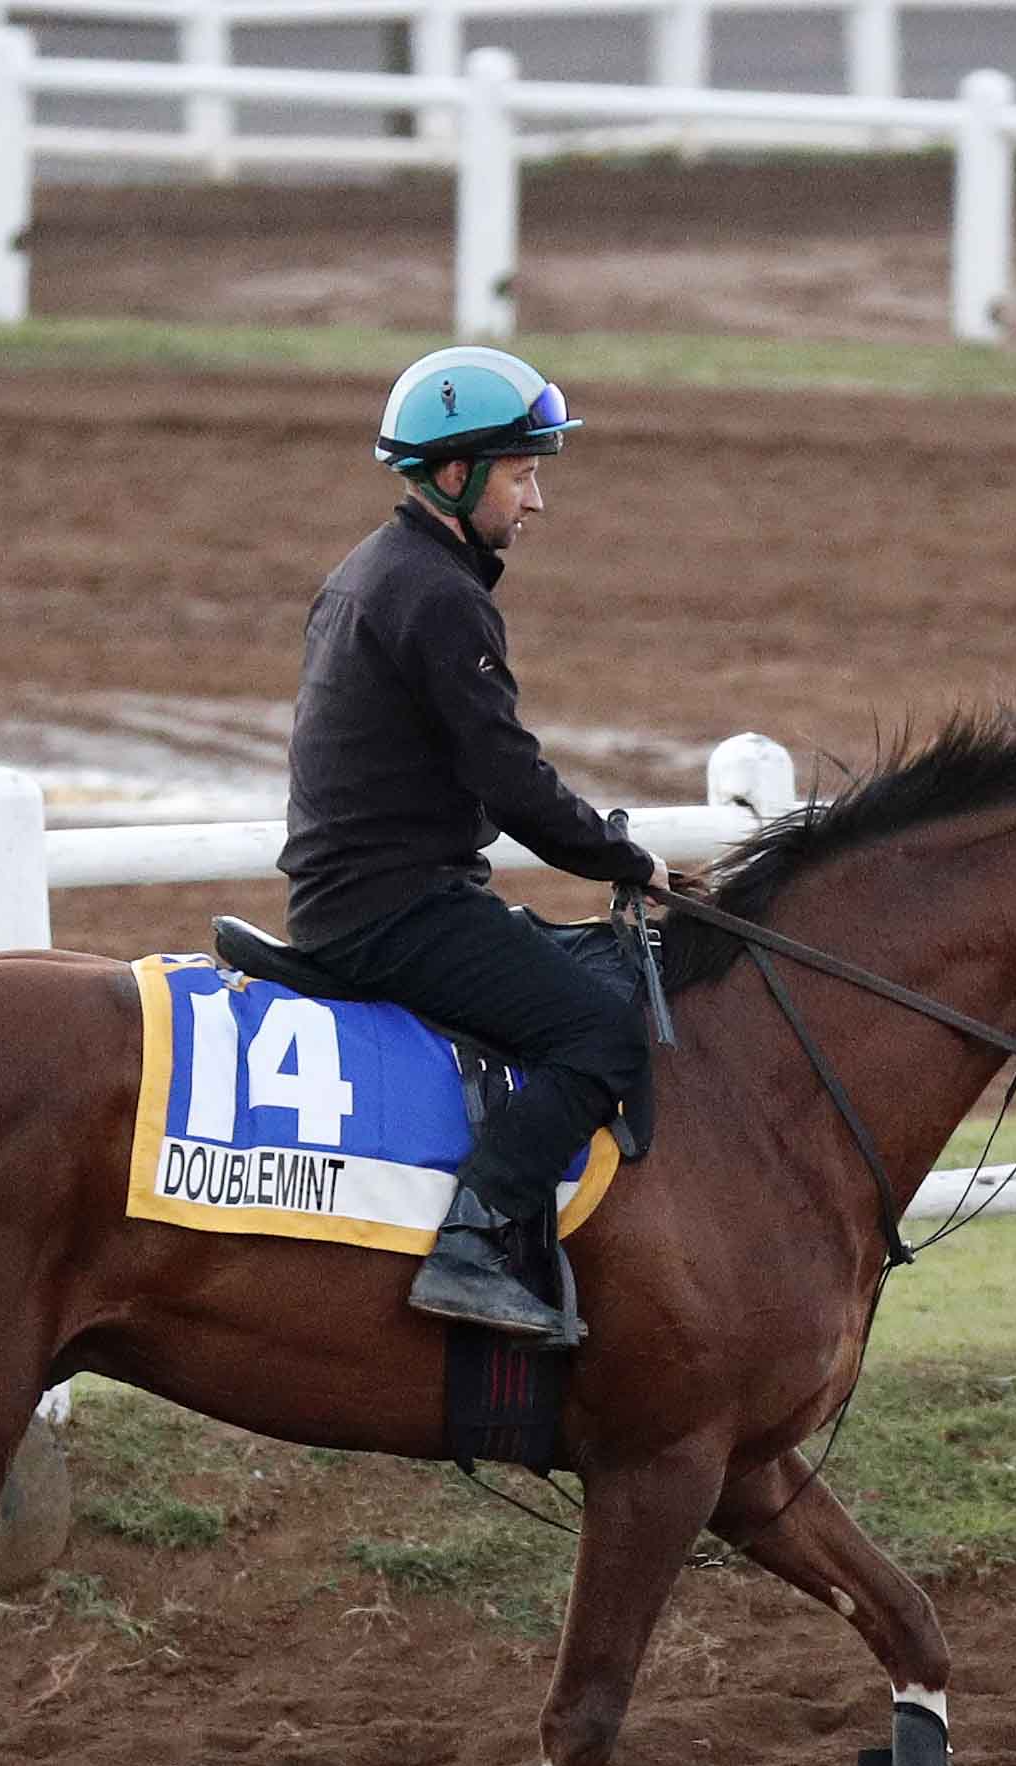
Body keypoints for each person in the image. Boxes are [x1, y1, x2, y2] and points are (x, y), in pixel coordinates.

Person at [278, 343, 666, 1349]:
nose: (536, 500)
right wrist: (626, 860)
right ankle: (477, 1240)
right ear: (457, 475)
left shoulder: (378, 569)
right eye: (524, 473)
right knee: (605, 1034)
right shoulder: (442, 596)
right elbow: (512, 780)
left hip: (364, 893)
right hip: (393, 912)